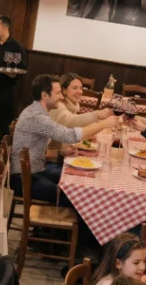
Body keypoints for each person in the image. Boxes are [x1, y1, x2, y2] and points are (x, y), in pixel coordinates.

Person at [9, 74, 117, 202]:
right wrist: (103, 124)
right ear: (45, 95)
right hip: (24, 179)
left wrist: (59, 153)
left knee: (78, 186)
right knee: (78, 197)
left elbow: (36, 151)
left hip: (34, 171)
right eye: (58, 93)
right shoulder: (38, 118)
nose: (61, 97)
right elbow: (71, 135)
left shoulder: (36, 111)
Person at [47, 72, 113, 156]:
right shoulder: (58, 106)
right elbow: (71, 121)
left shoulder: (70, 105)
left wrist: (89, 134)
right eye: (75, 88)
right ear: (64, 90)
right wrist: (97, 115)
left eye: (81, 88)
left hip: (60, 154)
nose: (80, 91)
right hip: (49, 159)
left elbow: (74, 129)